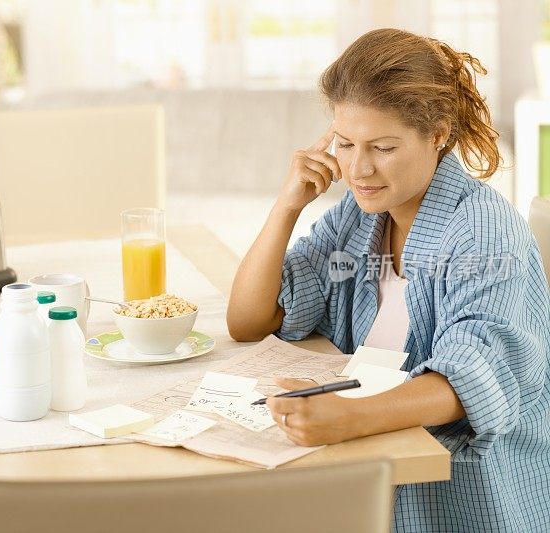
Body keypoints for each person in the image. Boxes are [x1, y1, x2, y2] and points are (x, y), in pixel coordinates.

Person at [227, 28, 550, 532]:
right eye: (345, 143)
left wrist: (348, 417)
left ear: (438, 135)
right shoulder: (360, 216)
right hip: (365, 476)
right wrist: (287, 205)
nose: (358, 168)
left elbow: (474, 377)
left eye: (382, 146)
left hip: (464, 497)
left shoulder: (483, 231)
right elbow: (249, 320)